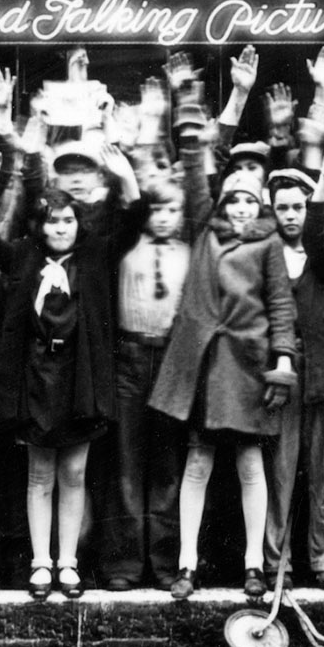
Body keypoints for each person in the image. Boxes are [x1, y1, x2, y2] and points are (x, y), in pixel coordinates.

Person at [0, 101, 127, 600]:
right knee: (39, 474)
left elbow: (128, 213)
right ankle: (40, 563)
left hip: (80, 380)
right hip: (36, 381)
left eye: (67, 221)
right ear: (40, 226)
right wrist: (7, 157)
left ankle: (68, 562)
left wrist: (117, 157)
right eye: (52, 222)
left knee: (74, 472)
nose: (60, 228)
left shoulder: (93, 258)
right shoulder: (24, 257)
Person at [147, 161, 296, 598]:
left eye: (251, 200)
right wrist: (194, 137)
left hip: (247, 364)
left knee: (250, 463)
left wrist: (283, 360)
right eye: (235, 200)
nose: (242, 208)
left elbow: (281, 305)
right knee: (198, 463)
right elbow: (195, 179)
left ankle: (254, 566)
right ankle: (187, 565)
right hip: (206, 366)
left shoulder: (269, 245)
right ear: (224, 203)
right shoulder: (205, 234)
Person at [260, 166, 324, 595]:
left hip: (321, 372)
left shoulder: (323, 253)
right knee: (279, 469)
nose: (291, 215)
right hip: (282, 374)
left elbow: (322, 243)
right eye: (283, 208)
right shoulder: (266, 253)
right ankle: (278, 560)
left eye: (298, 206)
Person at [103, 179, 191, 590]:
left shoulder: (189, 254)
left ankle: (165, 563)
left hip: (173, 356)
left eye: (172, 211)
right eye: (156, 210)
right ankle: (124, 564)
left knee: (167, 465)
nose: (164, 218)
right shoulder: (126, 247)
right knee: (126, 462)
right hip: (131, 356)